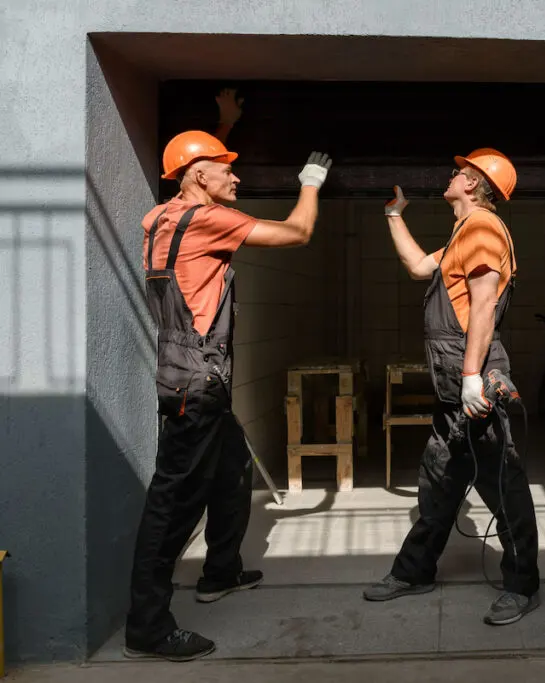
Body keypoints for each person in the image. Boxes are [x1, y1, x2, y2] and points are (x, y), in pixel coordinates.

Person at [123, 89, 334, 662]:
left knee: (233, 469)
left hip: (186, 374)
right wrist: (310, 182)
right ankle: (147, 625)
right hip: (196, 383)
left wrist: (223, 127)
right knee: (173, 503)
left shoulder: (160, 217)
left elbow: (197, 176)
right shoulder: (211, 220)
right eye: (227, 172)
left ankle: (220, 572)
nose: (237, 180)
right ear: (197, 177)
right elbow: (297, 233)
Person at [364, 148, 541, 626]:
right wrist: (393, 215)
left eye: (459, 173)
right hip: (453, 384)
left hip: (473, 379)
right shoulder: (464, 232)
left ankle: (523, 586)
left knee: (503, 485)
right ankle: (414, 571)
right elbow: (421, 267)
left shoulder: (482, 228)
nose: (450, 176)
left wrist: (470, 378)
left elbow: (482, 306)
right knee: (439, 481)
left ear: (474, 185)